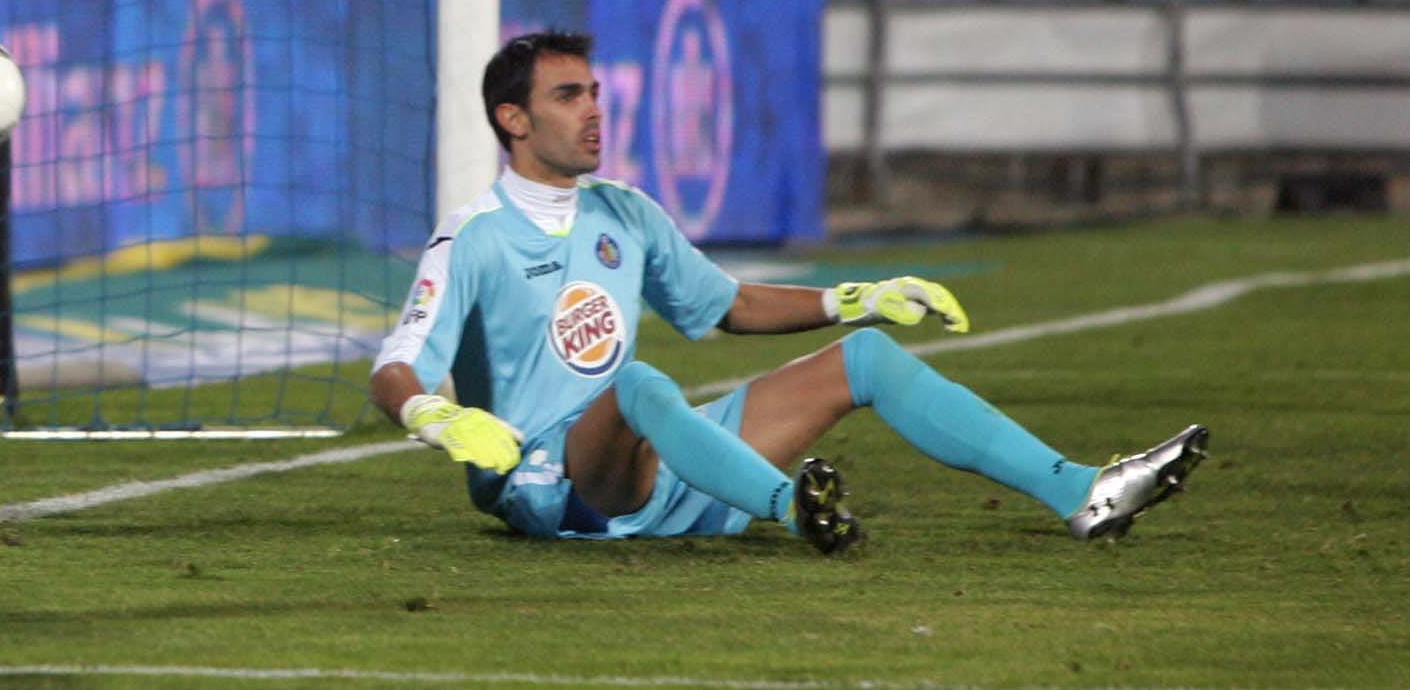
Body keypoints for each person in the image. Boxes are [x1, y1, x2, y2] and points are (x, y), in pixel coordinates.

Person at [371, 30, 1208, 553]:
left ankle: (1083, 492)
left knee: (867, 360)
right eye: (568, 95)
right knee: (636, 382)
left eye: (594, 91)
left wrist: (860, 299)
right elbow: (396, 365)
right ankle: (791, 505)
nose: (594, 110)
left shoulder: (622, 209)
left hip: (663, 462)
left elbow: (725, 304)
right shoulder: (474, 234)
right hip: (552, 484)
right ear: (513, 120)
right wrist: (434, 416)